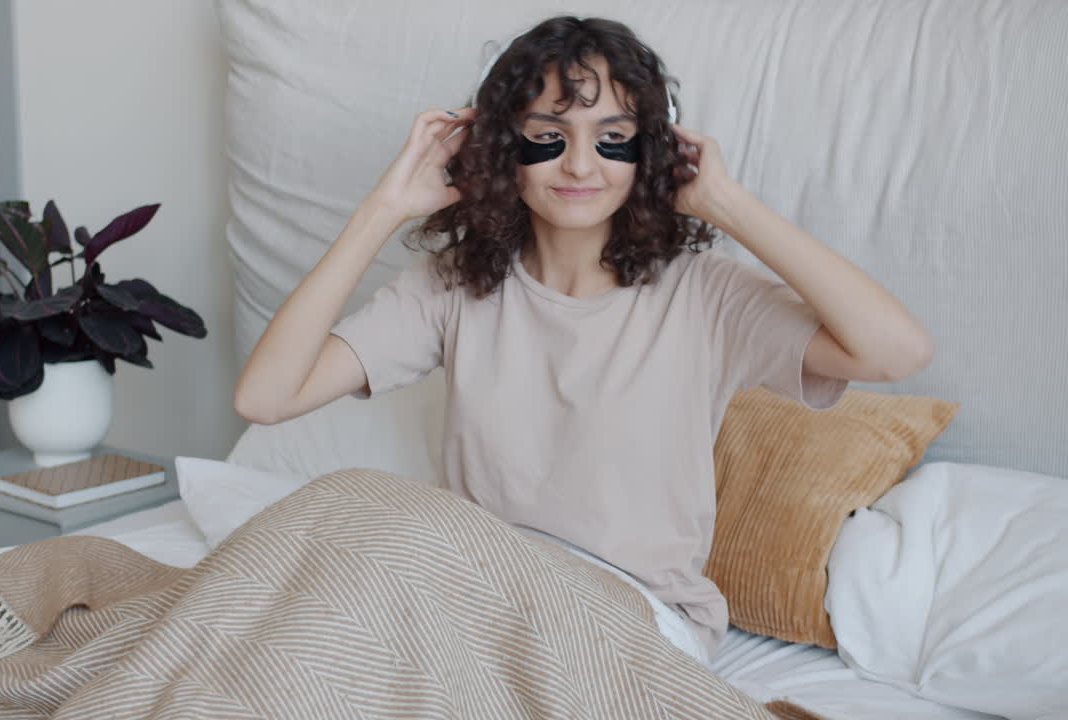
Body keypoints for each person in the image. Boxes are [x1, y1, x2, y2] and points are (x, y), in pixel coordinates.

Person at [233, 16, 933, 662]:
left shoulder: (706, 294)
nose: (578, 165)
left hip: (637, 620)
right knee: (304, 578)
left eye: (612, 139)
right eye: (547, 136)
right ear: (505, 149)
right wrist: (382, 209)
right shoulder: (453, 286)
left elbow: (895, 351)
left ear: (651, 150)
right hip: (480, 600)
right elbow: (266, 398)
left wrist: (727, 202)